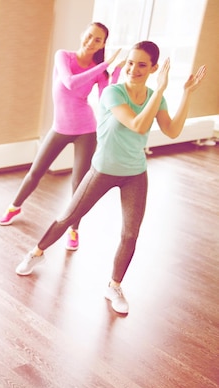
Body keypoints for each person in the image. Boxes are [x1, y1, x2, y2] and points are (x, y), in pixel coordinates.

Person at [15, 41, 207, 314]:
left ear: (154, 68)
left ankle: (114, 286)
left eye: (142, 64)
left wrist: (186, 94)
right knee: (68, 216)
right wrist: (161, 89)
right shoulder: (113, 94)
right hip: (103, 170)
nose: (133, 68)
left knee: (130, 234)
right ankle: (36, 253)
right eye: (130, 62)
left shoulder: (156, 96)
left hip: (135, 174)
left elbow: (172, 131)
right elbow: (137, 124)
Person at [0, 22, 122, 251]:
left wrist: (113, 75)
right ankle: (15, 206)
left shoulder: (99, 70)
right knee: (35, 172)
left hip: (86, 129)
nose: (91, 41)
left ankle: (74, 229)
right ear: (82, 34)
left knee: (78, 183)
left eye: (98, 40)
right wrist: (105, 64)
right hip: (60, 128)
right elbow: (70, 81)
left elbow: (106, 100)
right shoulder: (63, 56)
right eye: (89, 36)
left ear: (103, 44)